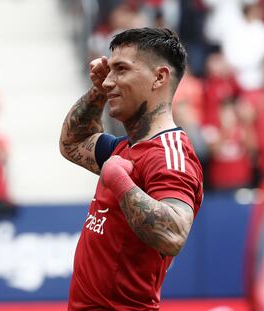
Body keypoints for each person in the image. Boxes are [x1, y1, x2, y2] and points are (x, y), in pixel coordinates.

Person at [59, 27, 204, 310]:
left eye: (121, 70)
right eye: (109, 70)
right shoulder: (125, 148)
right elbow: (72, 143)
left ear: (159, 77)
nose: (110, 81)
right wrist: (97, 91)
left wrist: (120, 182)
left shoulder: (170, 155)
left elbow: (173, 234)